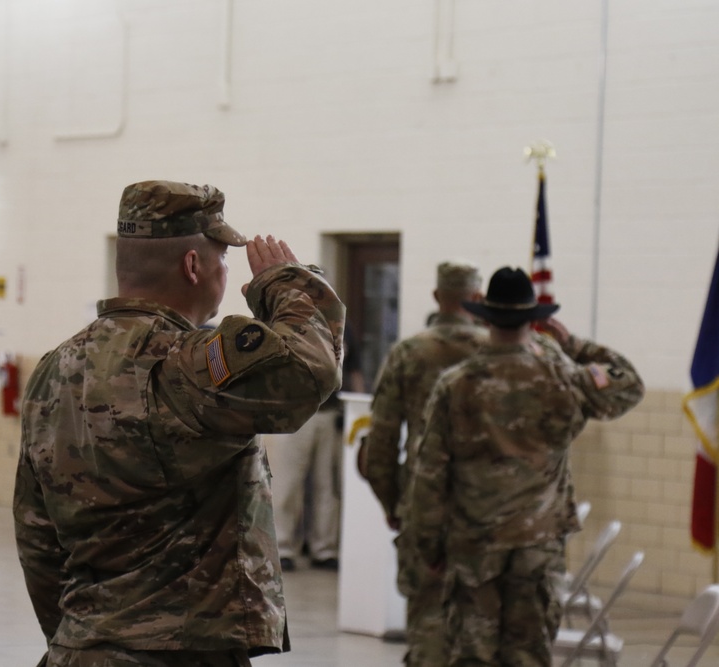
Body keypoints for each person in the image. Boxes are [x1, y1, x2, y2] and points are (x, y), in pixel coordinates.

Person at [14, 179, 344, 666]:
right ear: (194, 266)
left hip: (80, 649)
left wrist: (84, 636)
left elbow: (36, 532)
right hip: (182, 653)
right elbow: (310, 371)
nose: (226, 272)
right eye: (224, 258)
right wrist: (287, 284)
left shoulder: (54, 367)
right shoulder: (189, 362)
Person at [407, 267, 644, 666]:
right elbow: (630, 384)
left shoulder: (456, 384)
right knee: (529, 656)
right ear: (534, 319)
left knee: (471, 656)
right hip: (538, 546)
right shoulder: (564, 378)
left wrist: (429, 547)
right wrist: (574, 345)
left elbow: (430, 473)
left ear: (484, 317)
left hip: (473, 547)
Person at [359, 260, 487, 666]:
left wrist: (394, 503)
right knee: (483, 627)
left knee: (430, 625)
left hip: (424, 504)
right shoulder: (495, 351)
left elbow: (380, 442)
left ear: (437, 297)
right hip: (488, 510)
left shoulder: (409, 353)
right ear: (478, 298)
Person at [266, 322, 362, 573]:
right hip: (293, 414)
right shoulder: (284, 322)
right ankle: (283, 547)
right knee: (287, 484)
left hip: (328, 414)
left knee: (327, 486)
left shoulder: (340, 325)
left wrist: (352, 409)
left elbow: (354, 370)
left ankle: (325, 549)